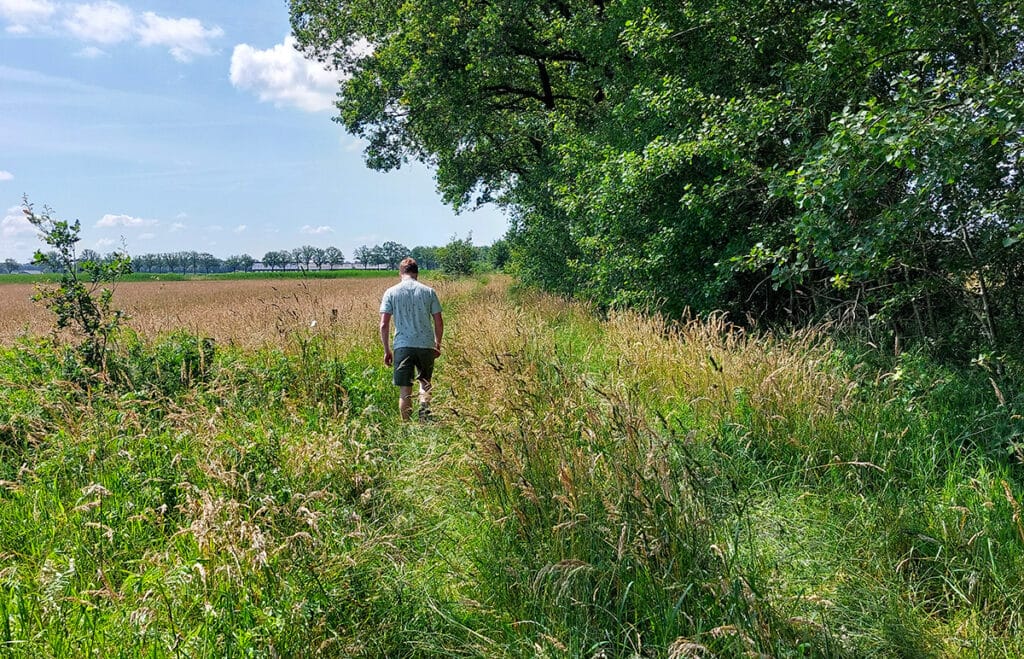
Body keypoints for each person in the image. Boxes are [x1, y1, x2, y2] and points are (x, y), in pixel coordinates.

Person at [379, 257, 443, 421]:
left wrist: (387, 350)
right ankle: (424, 418)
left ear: (400, 272)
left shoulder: (391, 292)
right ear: (417, 273)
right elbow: (438, 321)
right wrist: (437, 344)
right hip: (426, 344)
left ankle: (406, 426)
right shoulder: (429, 292)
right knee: (424, 383)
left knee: (405, 390)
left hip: (402, 345)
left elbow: (384, 325)